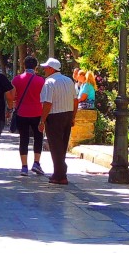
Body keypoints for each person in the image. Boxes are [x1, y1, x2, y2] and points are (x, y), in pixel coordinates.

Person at [38, 57, 78, 185]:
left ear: (51, 69)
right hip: (67, 114)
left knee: (55, 146)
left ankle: (59, 174)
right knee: (62, 145)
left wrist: (42, 121)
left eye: (46, 68)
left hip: (54, 116)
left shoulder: (49, 82)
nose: (44, 70)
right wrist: (73, 116)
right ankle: (60, 172)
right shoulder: (69, 81)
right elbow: (75, 100)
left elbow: (47, 103)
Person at [11, 55, 46, 176]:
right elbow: (44, 98)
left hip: (22, 113)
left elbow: (13, 96)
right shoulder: (41, 81)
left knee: (23, 139)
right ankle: (36, 163)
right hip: (37, 113)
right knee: (38, 138)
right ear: (36, 67)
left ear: (24, 65)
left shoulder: (16, 79)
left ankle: (24, 167)